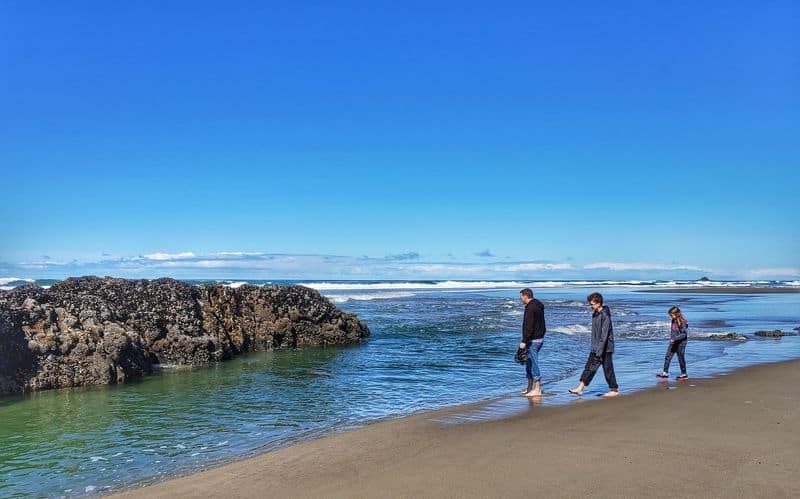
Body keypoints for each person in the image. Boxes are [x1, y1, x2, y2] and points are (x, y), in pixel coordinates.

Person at [569, 292, 619, 397]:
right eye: (590, 304)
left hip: (605, 348)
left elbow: (604, 336)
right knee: (589, 368)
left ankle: (614, 390)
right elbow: (595, 334)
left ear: (598, 303)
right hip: (595, 347)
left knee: (608, 369)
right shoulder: (595, 314)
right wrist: (594, 348)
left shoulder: (605, 315)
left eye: (592, 304)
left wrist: (599, 351)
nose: (591, 306)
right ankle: (580, 388)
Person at [518, 288, 546, 397]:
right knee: (528, 363)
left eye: (521, 297)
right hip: (539, 338)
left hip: (533, 340)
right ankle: (529, 388)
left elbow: (529, 327)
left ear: (525, 296)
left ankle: (537, 389)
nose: (520, 299)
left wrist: (524, 340)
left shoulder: (530, 308)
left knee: (533, 363)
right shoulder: (538, 305)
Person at [657, 306, 689, 379]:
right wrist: (672, 339)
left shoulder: (682, 322)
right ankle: (665, 373)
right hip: (673, 342)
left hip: (681, 343)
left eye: (672, 315)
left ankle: (684, 374)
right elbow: (673, 332)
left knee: (681, 358)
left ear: (677, 314)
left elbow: (684, 334)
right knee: (668, 356)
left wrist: (675, 338)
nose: (671, 316)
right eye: (670, 315)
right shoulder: (673, 320)